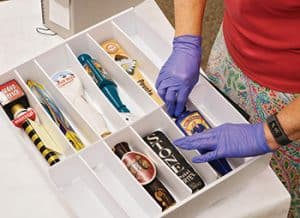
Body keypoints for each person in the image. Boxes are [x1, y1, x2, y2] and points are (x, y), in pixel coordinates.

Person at [155, 0, 300, 216]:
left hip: (290, 101)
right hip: (232, 50)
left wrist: (269, 134)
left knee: (269, 195)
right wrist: (186, 41)